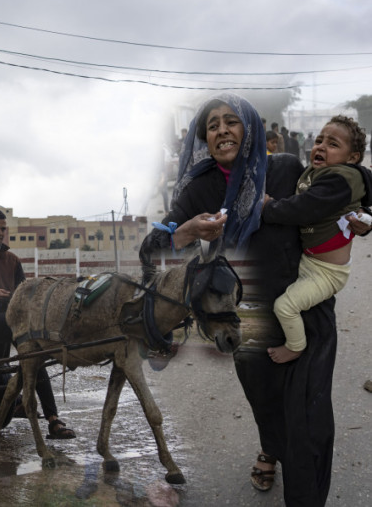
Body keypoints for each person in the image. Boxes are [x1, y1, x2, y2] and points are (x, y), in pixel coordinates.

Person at [140, 93, 371, 504]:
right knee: (266, 404)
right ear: (203, 138)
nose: (223, 130)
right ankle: (271, 448)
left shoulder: (283, 168)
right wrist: (189, 230)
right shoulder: (197, 190)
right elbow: (153, 248)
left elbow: (341, 186)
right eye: (212, 126)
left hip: (307, 310)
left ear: (250, 129)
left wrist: (363, 217)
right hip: (247, 321)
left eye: (232, 121)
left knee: (309, 420)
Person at [0, 208, 75, 440]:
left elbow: (23, 292)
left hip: (8, 317)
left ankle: (52, 418)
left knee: (34, 354)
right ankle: (48, 416)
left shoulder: (12, 260)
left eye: (2, 229)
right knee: (31, 347)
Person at [264, 116, 370, 364]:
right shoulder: (319, 172)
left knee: (285, 307)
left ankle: (295, 346)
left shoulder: (341, 179)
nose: (321, 146)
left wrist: (268, 208)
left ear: (352, 158)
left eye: (332, 144)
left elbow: (304, 207)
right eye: (320, 140)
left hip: (327, 272)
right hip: (310, 261)